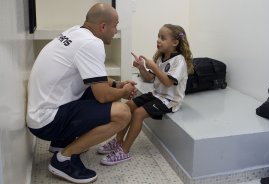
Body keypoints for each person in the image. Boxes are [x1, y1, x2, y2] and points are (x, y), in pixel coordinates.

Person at [26, 3, 136, 183]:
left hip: (41, 112)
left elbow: (94, 77)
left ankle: (61, 143)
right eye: (115, 25)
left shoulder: (76, 32)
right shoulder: (92, 43)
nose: (115, 31)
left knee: (94, 93)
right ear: (102, 26)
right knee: (123, 114)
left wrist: (117, 84)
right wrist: (124, 91)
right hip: (46, 122)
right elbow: (103, 96)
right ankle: (63, 159)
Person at [98, 24, 194, 165]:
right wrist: (142, 67)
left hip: (169, 100)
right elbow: (149, 78)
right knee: (128, 106)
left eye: (163, 38)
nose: (158, 40)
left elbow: (167, 82)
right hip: (157, 94)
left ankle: (124, 151)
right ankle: (118, 140)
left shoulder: (179, 61)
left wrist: (153, 66)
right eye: (158, 36)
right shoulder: (161, 57)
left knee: (138, 114)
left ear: (175, 42)